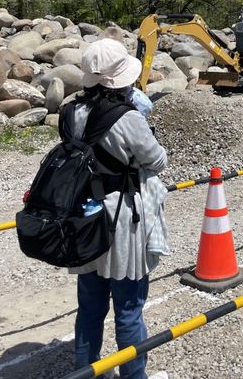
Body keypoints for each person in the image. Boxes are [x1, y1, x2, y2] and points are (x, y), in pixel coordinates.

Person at [70, 39, 169, 379]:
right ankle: (133, 375)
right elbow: (157, 160)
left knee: (89, 307)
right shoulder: (128, 117)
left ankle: (87, 372)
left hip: (84, 213)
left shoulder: (72, 111)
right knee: (128, 308)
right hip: (122, 216)